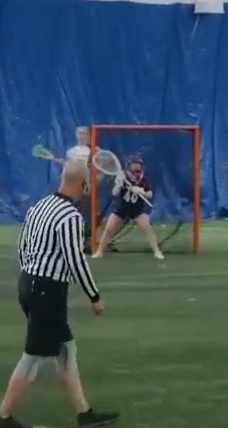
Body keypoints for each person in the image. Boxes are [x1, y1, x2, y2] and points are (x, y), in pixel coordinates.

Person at [0, 159, 118, 428]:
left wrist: (31, 274)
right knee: (34, 356)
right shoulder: (70, 217)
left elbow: (22, 246)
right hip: (47, 292)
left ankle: (84, 413)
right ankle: (4, 415)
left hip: (29, 283)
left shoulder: (39, 207)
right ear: (83, 183)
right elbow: (75, 260)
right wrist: (94, 295)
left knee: (65, 348)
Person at [91, 157, 164, 261]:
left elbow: (150, 194)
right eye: (134, 164)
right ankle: (99, 252)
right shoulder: (122, 177)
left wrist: (141, 191)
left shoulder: (143, 179)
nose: (136, 166)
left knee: (148, 228)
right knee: (109, 228)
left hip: (137, 209)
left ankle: (157, 251)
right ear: (129, 166)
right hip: (122, 207)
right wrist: (119, 185)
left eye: (138, 164)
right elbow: (114, 193)